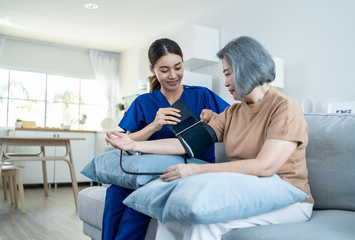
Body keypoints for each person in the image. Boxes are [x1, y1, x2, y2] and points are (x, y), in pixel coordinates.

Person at [105, 36, 314, 240]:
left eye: (228, 74)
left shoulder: (285, 108)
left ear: (246, 70)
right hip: (247, 189)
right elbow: (183, 143)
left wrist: (194, 170)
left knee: (204, 223)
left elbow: (265, 167)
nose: (224, 83)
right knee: (171, 218)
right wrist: (134, 143)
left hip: (289, 196)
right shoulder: (233, 113)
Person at [101, 38, 229, 240]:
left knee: (140, 200)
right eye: (164, 70)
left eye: (178, 67)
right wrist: (154, 125)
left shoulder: (203, 95)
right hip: (151, 169)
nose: (173, 75)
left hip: (190, 170)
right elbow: (127, 141)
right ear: (152, 70)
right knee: (115, 192)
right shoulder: (144, 101)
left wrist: (214, 118)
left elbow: (234, 121)